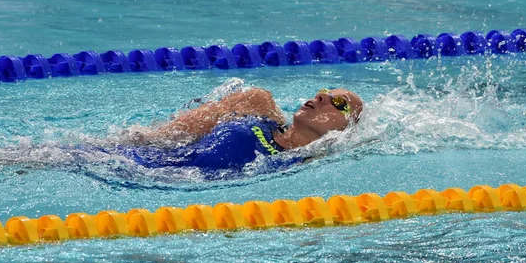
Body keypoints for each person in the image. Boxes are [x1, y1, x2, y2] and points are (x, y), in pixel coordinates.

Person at [119, 87, 364, 180]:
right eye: (323, 92)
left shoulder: (306, 162)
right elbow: (161, 137)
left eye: (339, 104)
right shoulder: (259, 110)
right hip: (125, 159)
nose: (320, 96)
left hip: (148, 183)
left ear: (345, 130)